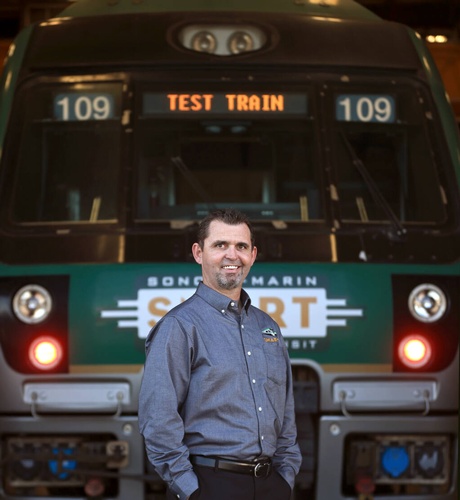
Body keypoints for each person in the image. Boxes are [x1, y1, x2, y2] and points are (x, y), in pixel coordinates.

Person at [138, 208, 301, 500]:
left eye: (241, 246)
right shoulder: (179, 326)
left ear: (253, 255)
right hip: (210, 484)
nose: (232, 255)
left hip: (270, 485)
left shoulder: (267, 327)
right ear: (198, 253)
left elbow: (286, 412)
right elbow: (158, 419)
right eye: (220, 245)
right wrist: (191, 490)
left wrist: (285, 477)